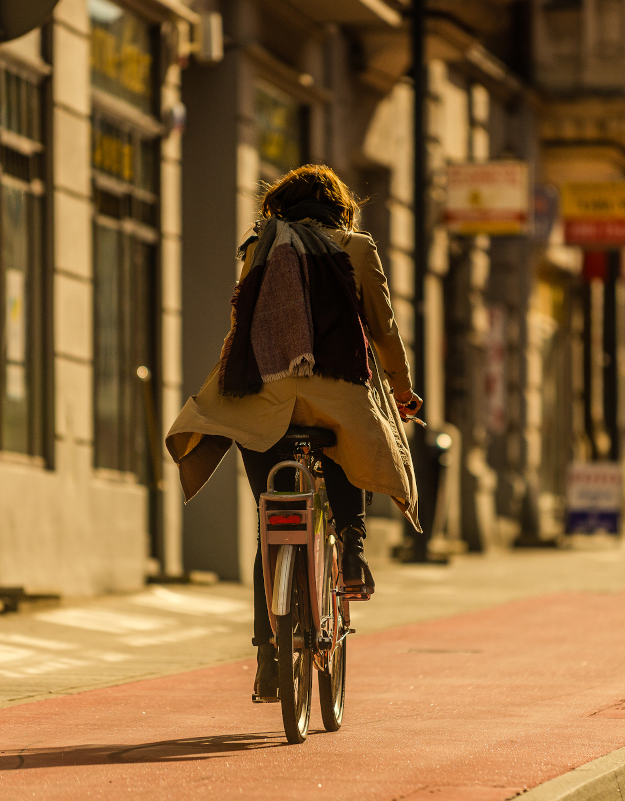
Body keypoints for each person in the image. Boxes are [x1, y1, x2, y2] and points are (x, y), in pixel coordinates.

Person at [165, 164, 423, 702]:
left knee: (271, 522)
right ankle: (351, 550)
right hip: (335, 397)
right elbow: (382, 328)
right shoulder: (356, 247)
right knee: (348, 451)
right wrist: (402, 390)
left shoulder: (260, 245)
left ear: (279, 205)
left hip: (261, 400)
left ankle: (267, 658)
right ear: (339, 207)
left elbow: (243, 324)